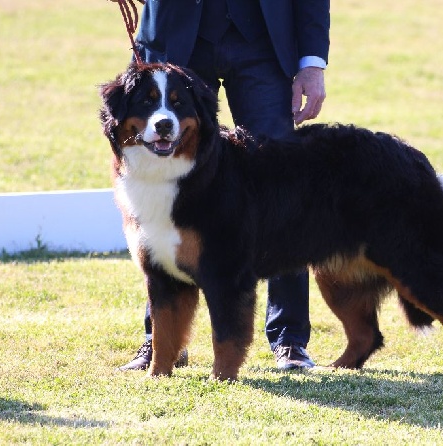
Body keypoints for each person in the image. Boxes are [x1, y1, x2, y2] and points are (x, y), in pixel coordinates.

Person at [114, 0, 330, 371]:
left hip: (264, 40)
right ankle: (160, 344)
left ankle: (290, 339)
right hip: (174, 36)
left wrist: (311, 61)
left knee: (283, 192)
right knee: (157, 191)